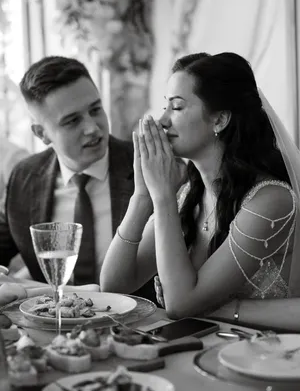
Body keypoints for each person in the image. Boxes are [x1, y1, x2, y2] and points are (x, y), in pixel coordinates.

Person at [100, 52, 300, 331]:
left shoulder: (269, 200)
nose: (162, 121)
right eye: (165, 107)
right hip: (201, 350)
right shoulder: (187, 196)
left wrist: (163, 198)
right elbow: (113, 287)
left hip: (264, 360)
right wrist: (142, 195)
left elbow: (180, 305)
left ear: (219, 120)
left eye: (177, 107)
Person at [0, 55, 156, 302]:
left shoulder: (150, 167)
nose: (93, 128)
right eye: (72, 121)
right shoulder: (25, 176)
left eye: (95, 110)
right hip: (53, 326)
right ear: (42, 133)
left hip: (139, 326)